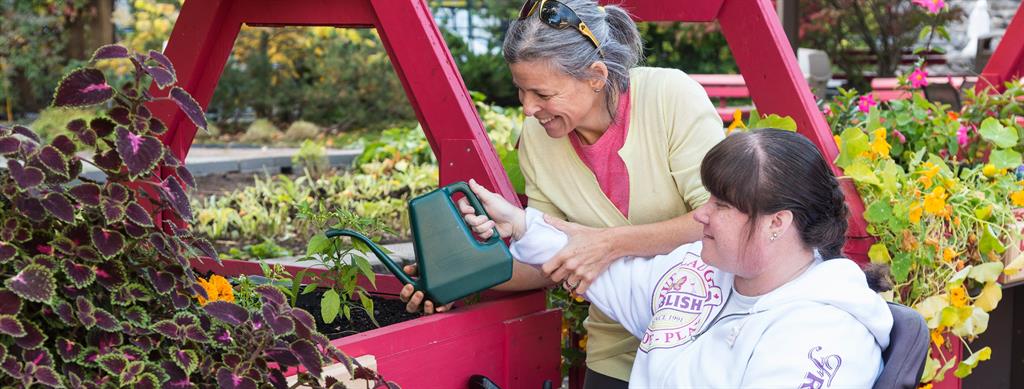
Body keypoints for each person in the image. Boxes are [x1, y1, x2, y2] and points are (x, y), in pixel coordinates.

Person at [401, 1, 725, 385]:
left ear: (596, 76)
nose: (527, 108)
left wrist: (609, 244)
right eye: (521, 91)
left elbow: (720, 218)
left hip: (703, 342)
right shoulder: (539, 141)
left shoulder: (670, 98)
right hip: (615, 351)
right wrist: (459, 275)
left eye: (542, 93)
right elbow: (547, 260)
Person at [462, 129, 893, 388]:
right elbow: (607, 274)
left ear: (777, 223)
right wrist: (519, 225)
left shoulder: (823, 337)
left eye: (723, 205)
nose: (701, 214)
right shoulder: (698, 271)